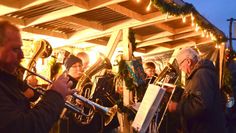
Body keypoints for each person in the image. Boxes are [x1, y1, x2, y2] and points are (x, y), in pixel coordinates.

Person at [0, 20, 74, 133]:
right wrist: (55, 95)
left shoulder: (8, 78)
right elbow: (25, 128)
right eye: (15, 49)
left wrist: (50, 92)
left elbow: (24, 103)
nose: (22, 55)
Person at [168, 47, 227, 133]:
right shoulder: (198, 74)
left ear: (188, 61)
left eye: (180, 64)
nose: (180, 68)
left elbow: (201, 105)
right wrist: (176, 90)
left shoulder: (202, 74)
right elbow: (193, 95)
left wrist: (176, 107)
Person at [59, 54, 103, 133]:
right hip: (71, 126)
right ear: (68, 69)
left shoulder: (88, 82)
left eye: (80, 65)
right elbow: (58, 104)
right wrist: (73, 101)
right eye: (74, 66)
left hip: (89, 126)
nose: (78, 68)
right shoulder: (64, 82)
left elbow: (96, 100)